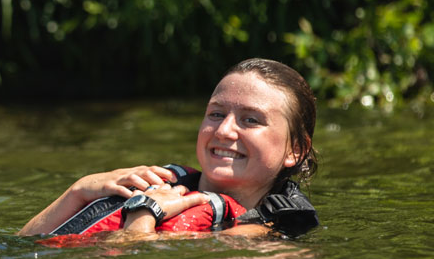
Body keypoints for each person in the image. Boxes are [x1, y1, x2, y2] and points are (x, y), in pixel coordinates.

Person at [18, 58, 320, 241]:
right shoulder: (163, 183)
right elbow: (22, 246)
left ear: (295, 150)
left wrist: (146, 212)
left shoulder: (264, 232)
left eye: (251, 120)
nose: (224, 130)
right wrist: (79, 191)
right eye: (216, 114)